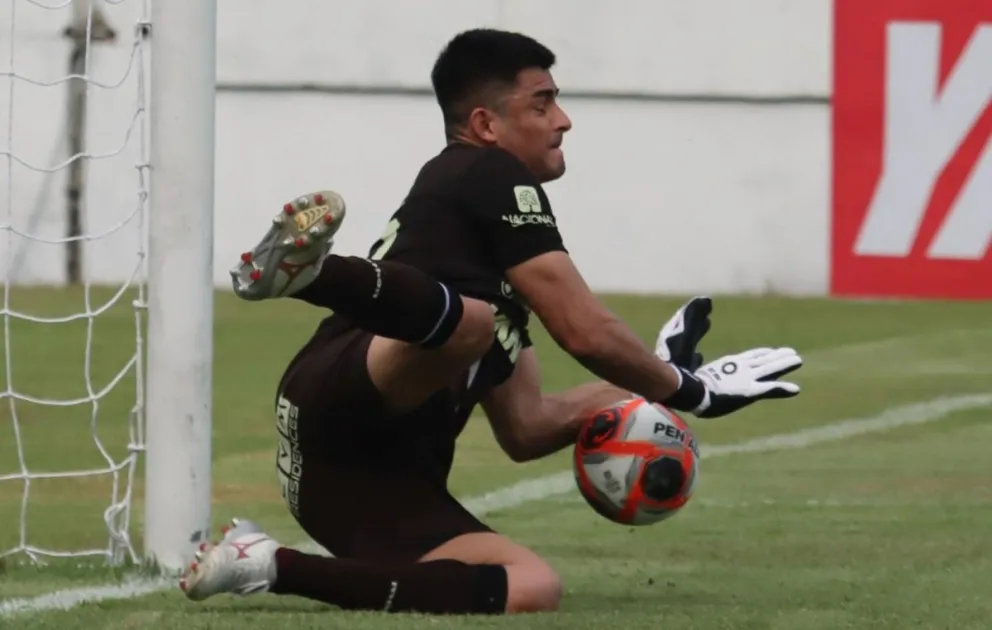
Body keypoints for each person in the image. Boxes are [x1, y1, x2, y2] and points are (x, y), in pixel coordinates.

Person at [179, 28, 803, 615]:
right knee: (471, 326)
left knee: (533, 586)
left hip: (365, 488)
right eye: (543, 104)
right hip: (341, 402)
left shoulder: (487, 262)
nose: (563, 120)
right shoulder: (484, 169)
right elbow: (583, 329)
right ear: (485, 124)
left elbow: (526, 428)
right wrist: (692, 393)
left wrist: (653, 382)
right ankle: (315, 275)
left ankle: (263, 564)